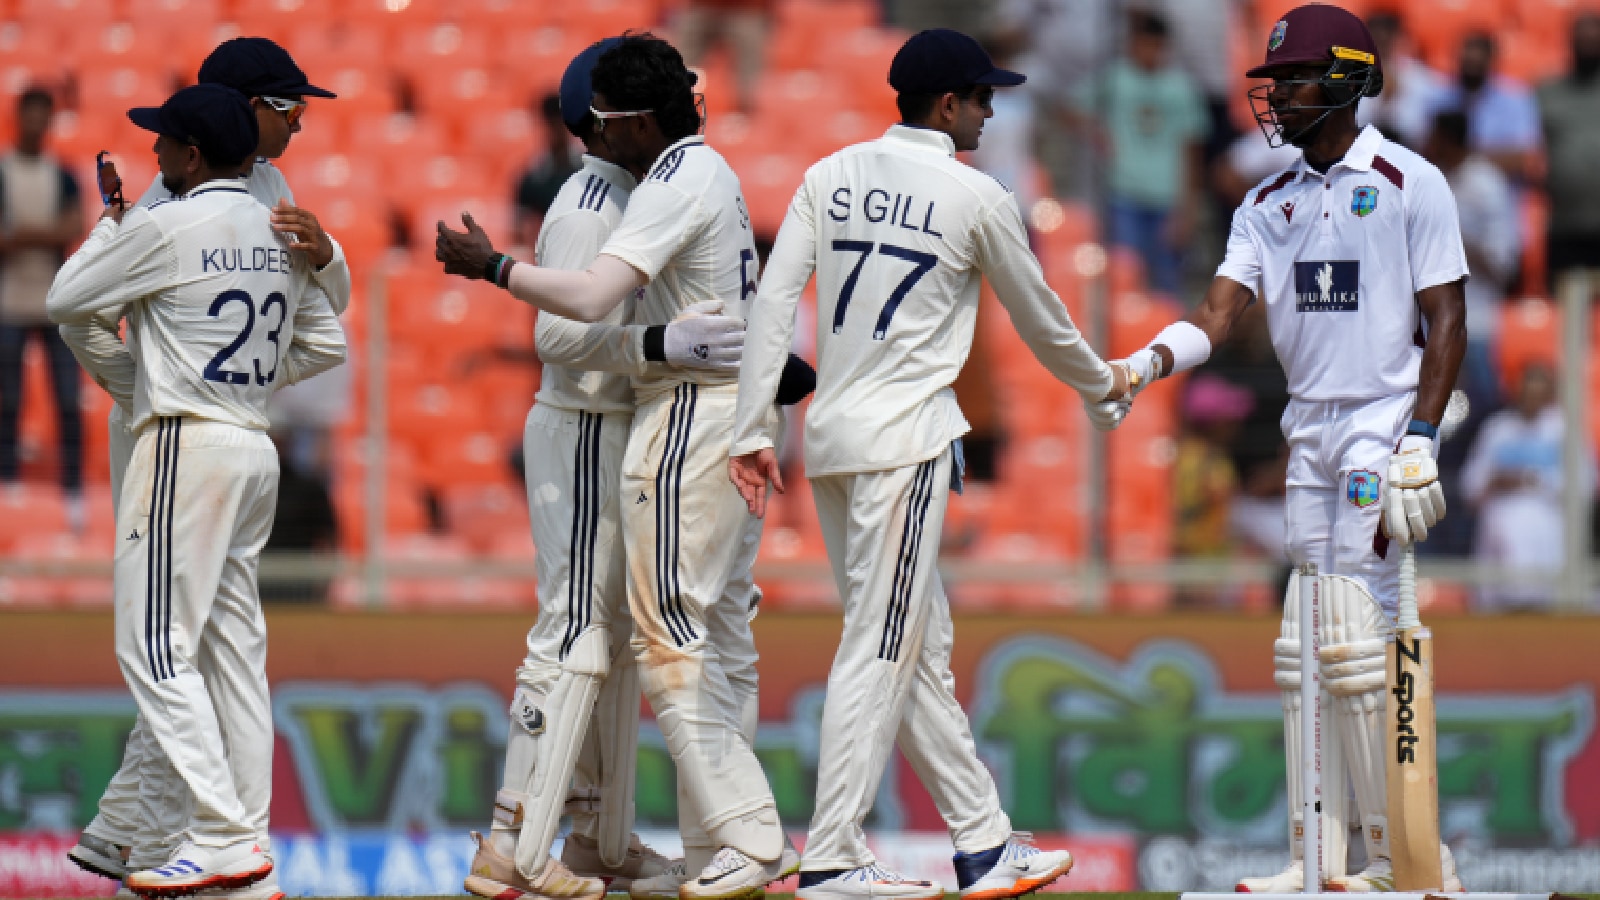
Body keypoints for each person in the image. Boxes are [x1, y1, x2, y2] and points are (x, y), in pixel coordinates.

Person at [726, 28, 1125, 900]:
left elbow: (771, 303)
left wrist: (755, 424)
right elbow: (1042, 317)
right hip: (904, 445)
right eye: (982, 98)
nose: (990, 112)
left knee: (915, 644)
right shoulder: (976, 195)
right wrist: (1106, 385)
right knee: (883, 641)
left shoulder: (828, 175)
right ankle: (833, 856)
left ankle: (983, 843)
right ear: (946, 105)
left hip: (832, 440)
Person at [435, 33, 804, 900]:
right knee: (579, 633)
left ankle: (606, 839)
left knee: (627, 642)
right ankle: (513, 842)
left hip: (645, 421)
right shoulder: (593, 198)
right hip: (584, 427)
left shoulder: (660, 181)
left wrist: (740, 362)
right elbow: (559, 335)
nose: (592, 137)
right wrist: (657, 344)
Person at [1112, 5, 1468, 891]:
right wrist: (1144, 364)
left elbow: (1448, 318)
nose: (1276, 97)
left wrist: (1421, 440)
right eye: (1271, 81)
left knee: (1352, 631)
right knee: (1305, 639)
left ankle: (1399, 857)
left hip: (1381, 423)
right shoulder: (1265, 203)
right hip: (1307, 431)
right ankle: (1319, 860)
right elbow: (1215, 316)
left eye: (1294, 79)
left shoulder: (1408, 180)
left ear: (1346, 81)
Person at [62, 36, 351, 899]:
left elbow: (72, 301)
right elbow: (326, 334)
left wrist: (157, 382)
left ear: (189, 149)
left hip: (185, 439)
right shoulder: (221, 198)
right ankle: (185, 837)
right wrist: (171, 384)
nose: (299, 123)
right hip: (225, 438)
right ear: (245, 114)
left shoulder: (192, 204)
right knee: (219, 649)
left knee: (162, 643)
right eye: (289, 108)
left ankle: (209, 835)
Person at [1073, 9, 1206, 296]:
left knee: (1167, 284)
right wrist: (1098, 134)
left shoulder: (1180, 87)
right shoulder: (1115, 78)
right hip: (1124, 192)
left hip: (1166, 196)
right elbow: (1073, 107)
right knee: (1125, 276)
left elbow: (1191, 150)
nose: (1149, 52)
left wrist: (1188, 209)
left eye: (1155, 46)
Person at [0, 87, 85, 516]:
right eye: (30, 115)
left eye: (42, 116)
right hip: (9, 301)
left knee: (68, 398)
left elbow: (75, 227)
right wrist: (48, 233)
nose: (36, 124)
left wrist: (22, 234)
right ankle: (7, 481)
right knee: (8, 399)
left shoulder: (62, 175)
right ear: (19, 118)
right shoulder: (3, 171)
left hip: (55, 301)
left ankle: (73, 487)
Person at [1461, 362, 1594, 611]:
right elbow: (1470, 484)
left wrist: (1533, 480)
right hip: (1499, 528)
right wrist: (1495, 481)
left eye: (1538, 393)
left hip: (1547, 526)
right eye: (1527, 392)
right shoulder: (1497, 429)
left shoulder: (1563, 430)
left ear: (1549, 394)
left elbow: (1586, 484)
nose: (1531, 399)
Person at [1423, 110, 1518, 411]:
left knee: (1481, 408)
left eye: (1434, 139)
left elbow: (1504, 265)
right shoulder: (1428, 178)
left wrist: (1456, 242)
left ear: (1447, 141)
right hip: (1430, 319)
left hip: (1477, 319)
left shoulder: (1487, 184)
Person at [1537, 13, 1600, 287]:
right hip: (1564, 225)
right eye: (1582, 40)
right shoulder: (1547, 93)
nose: (1588, 46)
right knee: (1568, 304)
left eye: (1594, 40)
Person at [1433, 32, 1541, 183]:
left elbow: (1523, 157)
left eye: (1478, 60)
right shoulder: (1441, 97)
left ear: (1491, 60)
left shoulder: (1515, 98)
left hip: (1500, 188)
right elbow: (1429, 151)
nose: (1472, 64)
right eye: (1468, 59)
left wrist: (1467, 159)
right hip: (1450, 184)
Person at [1356, 11, 1446, 149]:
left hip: (1408, 149)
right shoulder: (1354, 74)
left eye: (1387, 38)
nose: (1381, 43)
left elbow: (1420, 125)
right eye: (1375, 38)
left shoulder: (1418, 76)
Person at [671, 0, 773, 114]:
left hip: (745, 11)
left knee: (749, 40)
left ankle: (748, 107)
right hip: (702, 8)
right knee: (682, 54)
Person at [515, 94, 585, 248]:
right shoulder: (533, 178)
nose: (556, 130)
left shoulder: (589, 169)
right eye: (551, 123)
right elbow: (519, 233)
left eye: (560, 123)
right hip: (548, 252)